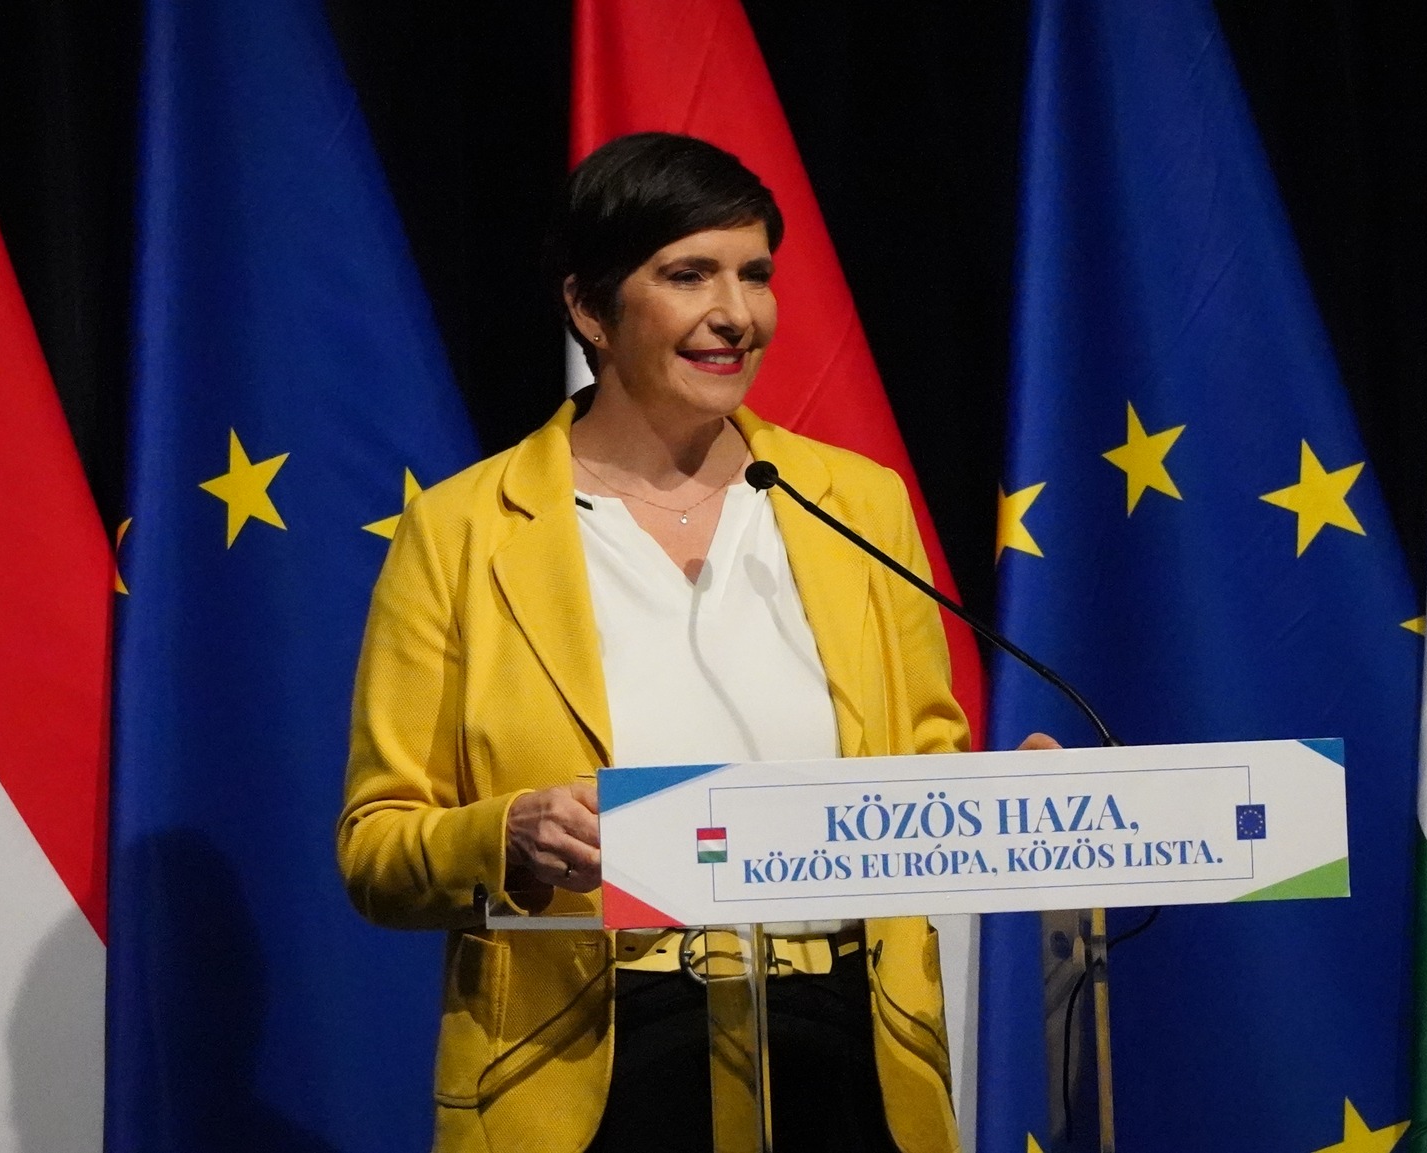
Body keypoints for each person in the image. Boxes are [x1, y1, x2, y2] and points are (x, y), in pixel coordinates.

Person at [339, 132, 999, 1153]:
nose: (736, 313)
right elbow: (377, 848)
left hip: (844, 1049)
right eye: (689, 275)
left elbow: (918, 780)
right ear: (588, 308)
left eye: (754, 274)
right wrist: (505, 833)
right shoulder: (462, 531)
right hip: (587, 1064)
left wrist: (1009, 804)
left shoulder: (856, 504)